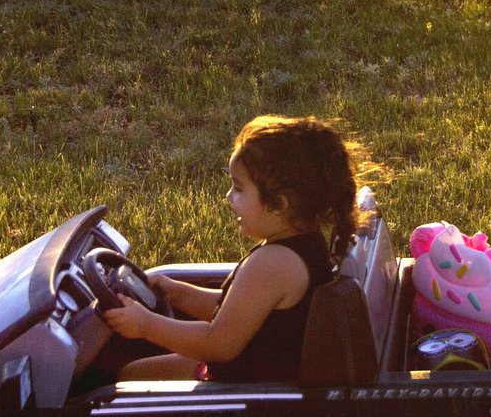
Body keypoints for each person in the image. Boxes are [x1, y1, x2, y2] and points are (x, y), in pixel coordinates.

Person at [102, 115, 359, 384]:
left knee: (128, 378)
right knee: (135, 371)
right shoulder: (301, 243)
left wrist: (145, 325)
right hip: (249, 371)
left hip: (245, 394)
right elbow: (237, 311)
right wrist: (178, 293)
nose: (228, 197)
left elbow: (218, 344)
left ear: (279, 204)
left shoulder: (273, 264)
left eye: (238, 188)